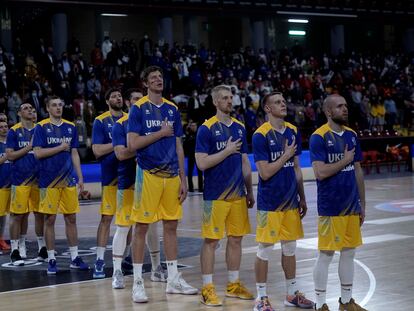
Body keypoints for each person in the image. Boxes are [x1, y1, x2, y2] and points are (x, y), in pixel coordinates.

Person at [127, 66, 197, 303]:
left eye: (160, 77)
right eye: (153, 78)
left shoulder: (172, 108)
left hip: (171, 177)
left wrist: (183, 178)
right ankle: (137, 283)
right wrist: (160, 132)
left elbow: (178, 145)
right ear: (145, 82)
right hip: (147, 175)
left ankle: (173, 279)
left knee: (171, 226)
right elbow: (133, 143)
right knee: (141, 227)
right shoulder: (137, 108)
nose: (158, 80)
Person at [252, 92, 314, 310]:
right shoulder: (260, 135)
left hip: (291, 201)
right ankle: (261, 298)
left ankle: (292, 293)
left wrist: (302, 196)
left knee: (290, 248)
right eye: (278, 102)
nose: (283, 104)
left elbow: (297, 168)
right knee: (264, 250)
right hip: (270, 202)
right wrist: (286, 155)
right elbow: (265, 172)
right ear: (267, 109)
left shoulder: (293, 131)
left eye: (284, 100)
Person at [195, 84, 254, 306]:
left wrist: (249, 189)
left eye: (231, 97)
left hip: (238, 194)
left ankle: (233, 285)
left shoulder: (239, 128)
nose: (230, 101)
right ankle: (207, 288)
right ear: (215, 102)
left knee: (236, 239)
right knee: (211, 241)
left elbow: (245, 162)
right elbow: (201, 163)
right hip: (215, 195)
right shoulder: (206, 129)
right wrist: (226, 151)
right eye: (225, 98)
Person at [309, 94, 366, 311]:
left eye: (345, 106)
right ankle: (320, 304)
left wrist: (362, 203)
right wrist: (345, 160)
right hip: (331, 207)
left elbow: (358, 170)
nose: (345, 109)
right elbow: (320, 172)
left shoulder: (352, 135)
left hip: (351, 205)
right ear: (328, 112)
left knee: (349, 252)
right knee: (326, 254)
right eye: (339, 106)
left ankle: (346, 302)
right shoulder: (319, 137)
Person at [111, 88, 167, 289]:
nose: (138, 102)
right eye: (134, 99)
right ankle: (117, 271)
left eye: (140, 99)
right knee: (123, 226)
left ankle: (156, 268)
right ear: (128, 103)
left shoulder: (150, 124)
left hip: (150, 181)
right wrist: (144, 146)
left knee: (152, 225)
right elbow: (120, 154)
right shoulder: (120, 125)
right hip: (128, 183)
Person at [33, 95, 88, 274]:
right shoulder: (40, 127)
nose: (58, 108)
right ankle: (51, 259)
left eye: (60, 105)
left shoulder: (70, 127)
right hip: (48, 182)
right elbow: (38, 153)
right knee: (50, 220)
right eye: (54, 105)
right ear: (47, 109)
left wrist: (80, 177)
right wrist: (59, 148)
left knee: (71, 218)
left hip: (68, 181)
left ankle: (74, 257)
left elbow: (74, 154)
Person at [91, 88, 126, 279]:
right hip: (110, 177)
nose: (118, 98)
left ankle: (125, 258)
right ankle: (99, 260)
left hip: (128, 177)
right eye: (113, 96)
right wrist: (118, 144)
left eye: (119, 95)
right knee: (106, 219)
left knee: (128, 221)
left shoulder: (129, 118)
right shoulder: (101, 121)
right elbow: (96, 150)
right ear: (107, 101)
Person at [6, 103, 46, 265]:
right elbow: (10, 156)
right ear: (19, 113)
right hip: (20, 179)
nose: (30, 110)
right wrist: (29, 147)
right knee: (17, 215)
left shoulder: (41, 129)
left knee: (39, 213)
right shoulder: (13, 131)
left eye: (32, 108)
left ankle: (42, 247)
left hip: (39, 179)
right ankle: (15, 250)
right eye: (26, 108)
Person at [0, 120, 11, 251]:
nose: (4, 129)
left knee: (6, 214)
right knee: (0, 215)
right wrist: (7, 156)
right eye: (1, 127)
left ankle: (2, 238)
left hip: (11, 183)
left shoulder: (10, 143)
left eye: (5, 127)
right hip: (0, 184)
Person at [183, 120, 203, 193]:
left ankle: (201, 188)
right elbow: (185, 145)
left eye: (194, 126)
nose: (193, 127)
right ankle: (190, 188)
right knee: (190, 172)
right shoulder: (188, 134)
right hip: (191, 155)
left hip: (198, 155)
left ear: (197, 126)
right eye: (192, 126)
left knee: (200, 172)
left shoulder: (199, 134)